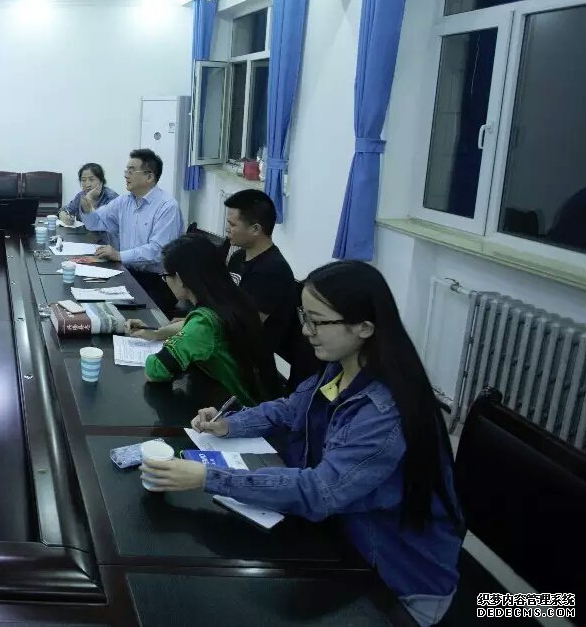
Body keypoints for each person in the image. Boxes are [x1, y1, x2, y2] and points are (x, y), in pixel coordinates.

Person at [141, 261, 464, 626]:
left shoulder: (384, 413)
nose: (306, 331)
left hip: (393, 581)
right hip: (340, 536)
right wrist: (230, 424)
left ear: (364, 327)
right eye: (304, 317)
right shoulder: (344, 366)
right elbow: (291, 407)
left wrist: (207, 477)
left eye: (318, 322)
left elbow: (319, 491)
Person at [125, 235, 279, 407]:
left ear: (180, 279)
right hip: (262, 398)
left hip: (240, 410)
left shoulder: (204, 323)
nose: (165, 281)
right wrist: (158, 333)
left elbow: (155, 370)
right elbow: (195, 327)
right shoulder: (231, 298)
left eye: (166, 275)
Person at [222, 189, 321, 390]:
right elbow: (223, 304)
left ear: (255, 229)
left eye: (232, 225)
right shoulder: (238, 257)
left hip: (251, 365)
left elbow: (245, 324)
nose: (227, 229)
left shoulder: (272, 270)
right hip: (231, 348)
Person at [79, 149, 184, 314]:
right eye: (126, 170)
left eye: (131, 171)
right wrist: (87, 208)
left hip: (158, 282)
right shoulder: (124, 201)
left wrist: (119, 255)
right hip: (128, 273)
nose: (126, 175)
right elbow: (97, 223)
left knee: (126, 316)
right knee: (90, 298)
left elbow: (158, 251)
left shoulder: (167, 207)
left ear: (149, 177)